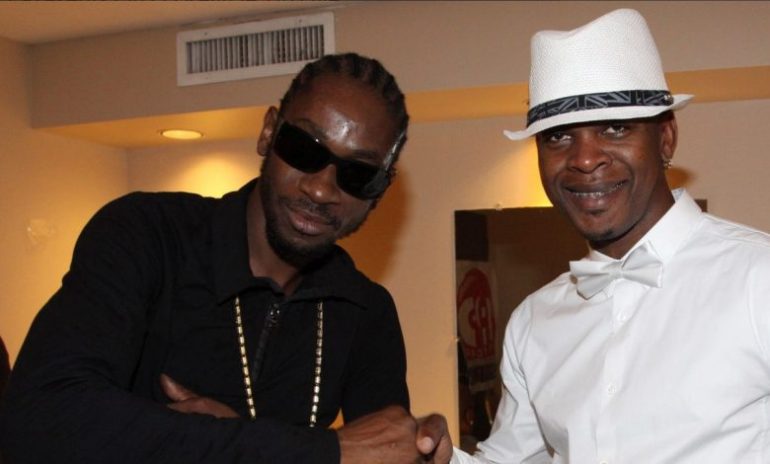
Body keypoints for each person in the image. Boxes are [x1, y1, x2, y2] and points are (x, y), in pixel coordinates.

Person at [0, 52, 429, 463]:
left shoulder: (365, 311)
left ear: (380, 190)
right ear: (268, 133)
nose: (319, 189)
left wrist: (426, 451)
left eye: (358, 174)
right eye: (304, 148)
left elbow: (386, 453)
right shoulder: (148, 236)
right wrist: (320, 452)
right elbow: (40, 420)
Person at [422, 8, 770, 463]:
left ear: (666, 139)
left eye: (615, 128)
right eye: (558, 137)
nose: (585, 159)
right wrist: (441, 459)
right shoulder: (533, 321)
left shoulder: (757, 278)